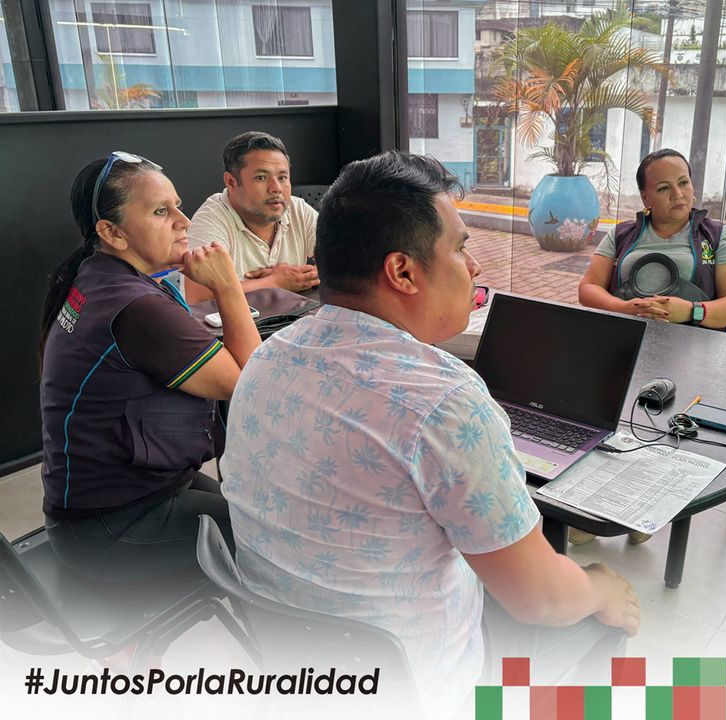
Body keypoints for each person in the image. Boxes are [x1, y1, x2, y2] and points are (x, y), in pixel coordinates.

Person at [221, 152, 640, 717]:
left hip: (291, 665)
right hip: (416, 687)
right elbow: (540, 598)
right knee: (601, 615)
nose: (475, 267)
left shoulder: (268, 358)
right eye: (461, 248)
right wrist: (601, 585)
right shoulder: (444, 405)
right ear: (402, 272)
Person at [40, 152, 261, 583]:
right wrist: (227, 285)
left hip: (121, 496)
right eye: (161, 211)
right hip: (109, 526)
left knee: (253, 508)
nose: (183, 221)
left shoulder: (97, 276)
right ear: (112, 232)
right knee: (275, 537)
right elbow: (247, 382)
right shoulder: (137, 308)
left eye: (178, 205)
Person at [579, 148, 726, 329]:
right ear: (645, 198)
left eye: (683, 183)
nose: (678, 194)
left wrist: (691, 311)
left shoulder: (717, 236)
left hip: (694, 342)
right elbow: (588, 288)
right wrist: (624, 309)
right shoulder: (620, 234)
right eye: (663, 188)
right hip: (627, 335)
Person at [184, 131, 319, 302]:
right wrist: (274, 282)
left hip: (291, 317)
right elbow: (199, 297)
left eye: (282, 177)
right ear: (231, 182)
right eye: (261, 177)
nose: (276, 188)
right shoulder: (210, 220)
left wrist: (301, 277)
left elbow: (343, 263)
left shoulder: (297, 209)